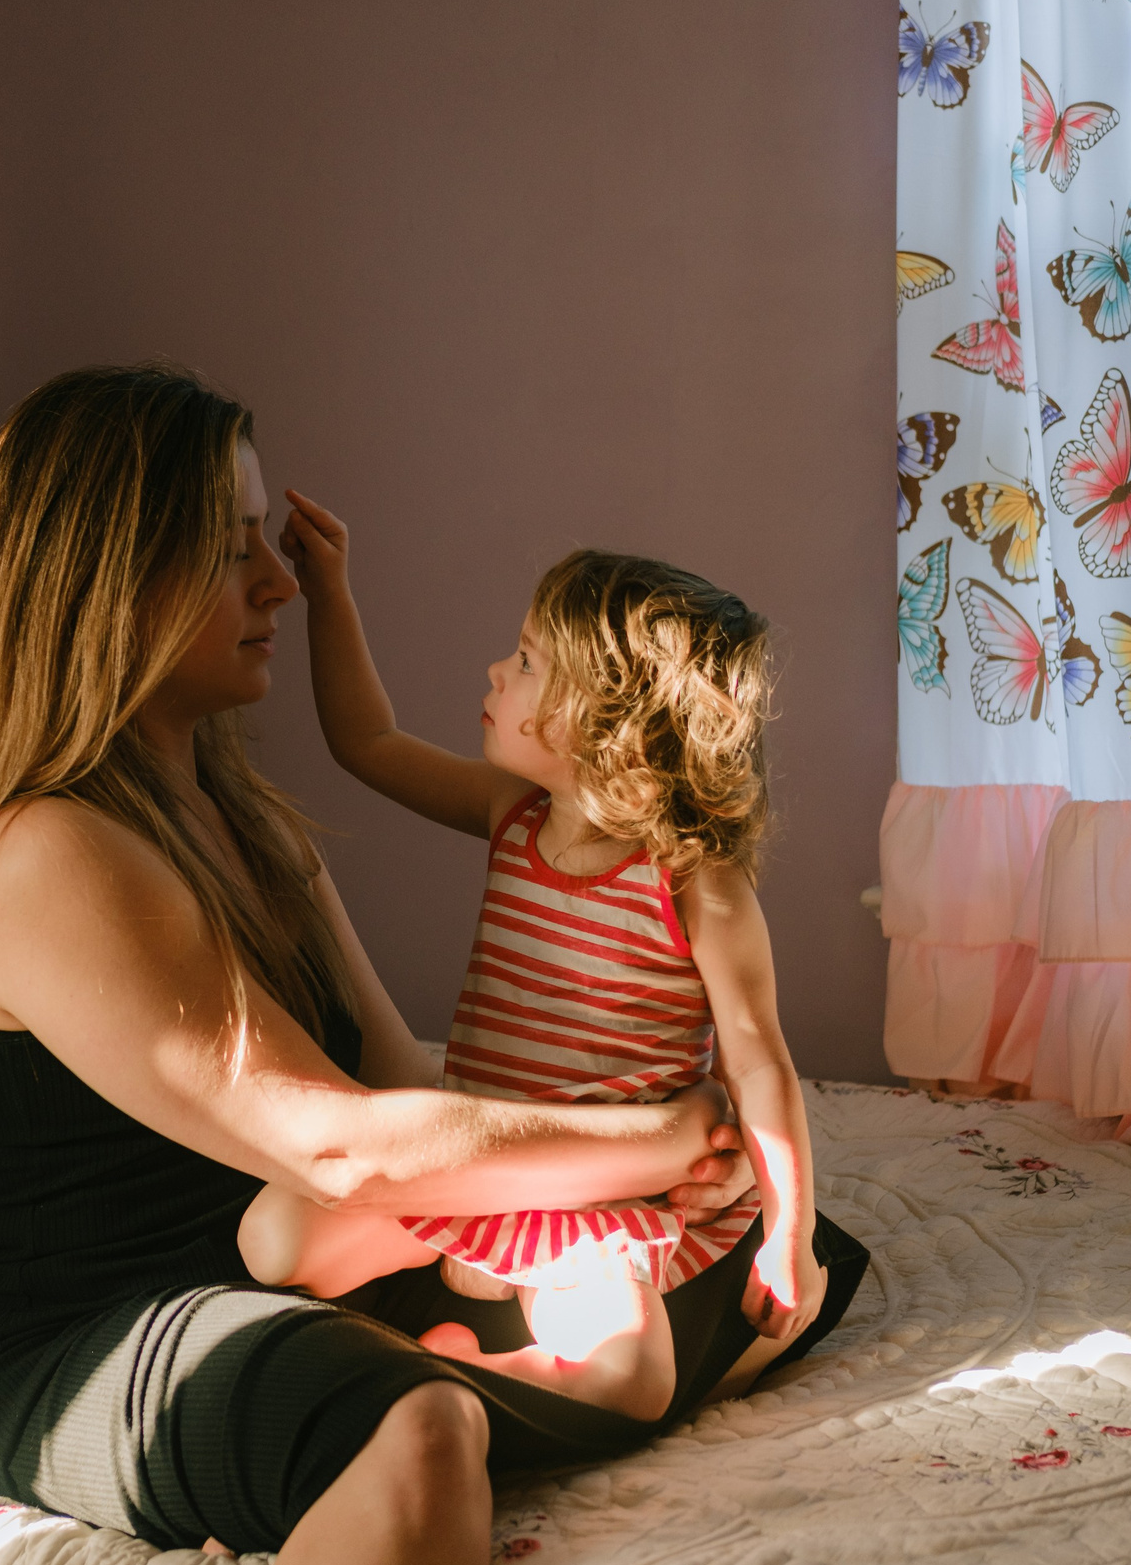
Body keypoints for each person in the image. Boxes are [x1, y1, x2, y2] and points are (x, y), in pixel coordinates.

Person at [0, 364, 847, 1565]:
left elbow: (400, 1077)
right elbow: (346, 1149)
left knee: (771, 1256)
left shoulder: (246, 820)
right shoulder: (49, 847)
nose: (279, 584)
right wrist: (659, 1139)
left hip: (269, 1258)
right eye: (234, 554)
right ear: (118, 582)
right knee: (408, 1423)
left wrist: (669, 1170)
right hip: (84, 1325)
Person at [236, 535, 824, 1422]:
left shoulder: (697, 884)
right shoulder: (511, 814)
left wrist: (792, 1233)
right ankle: (462, 1345)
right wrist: (331, 594)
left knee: (632, 1378)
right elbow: (366, 740)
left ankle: (461, 1372)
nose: (495, 669)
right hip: (481, 1172)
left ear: (602, 716)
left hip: (592, 1204)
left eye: (525, 660)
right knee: (271, 1239)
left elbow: (761, 1065)